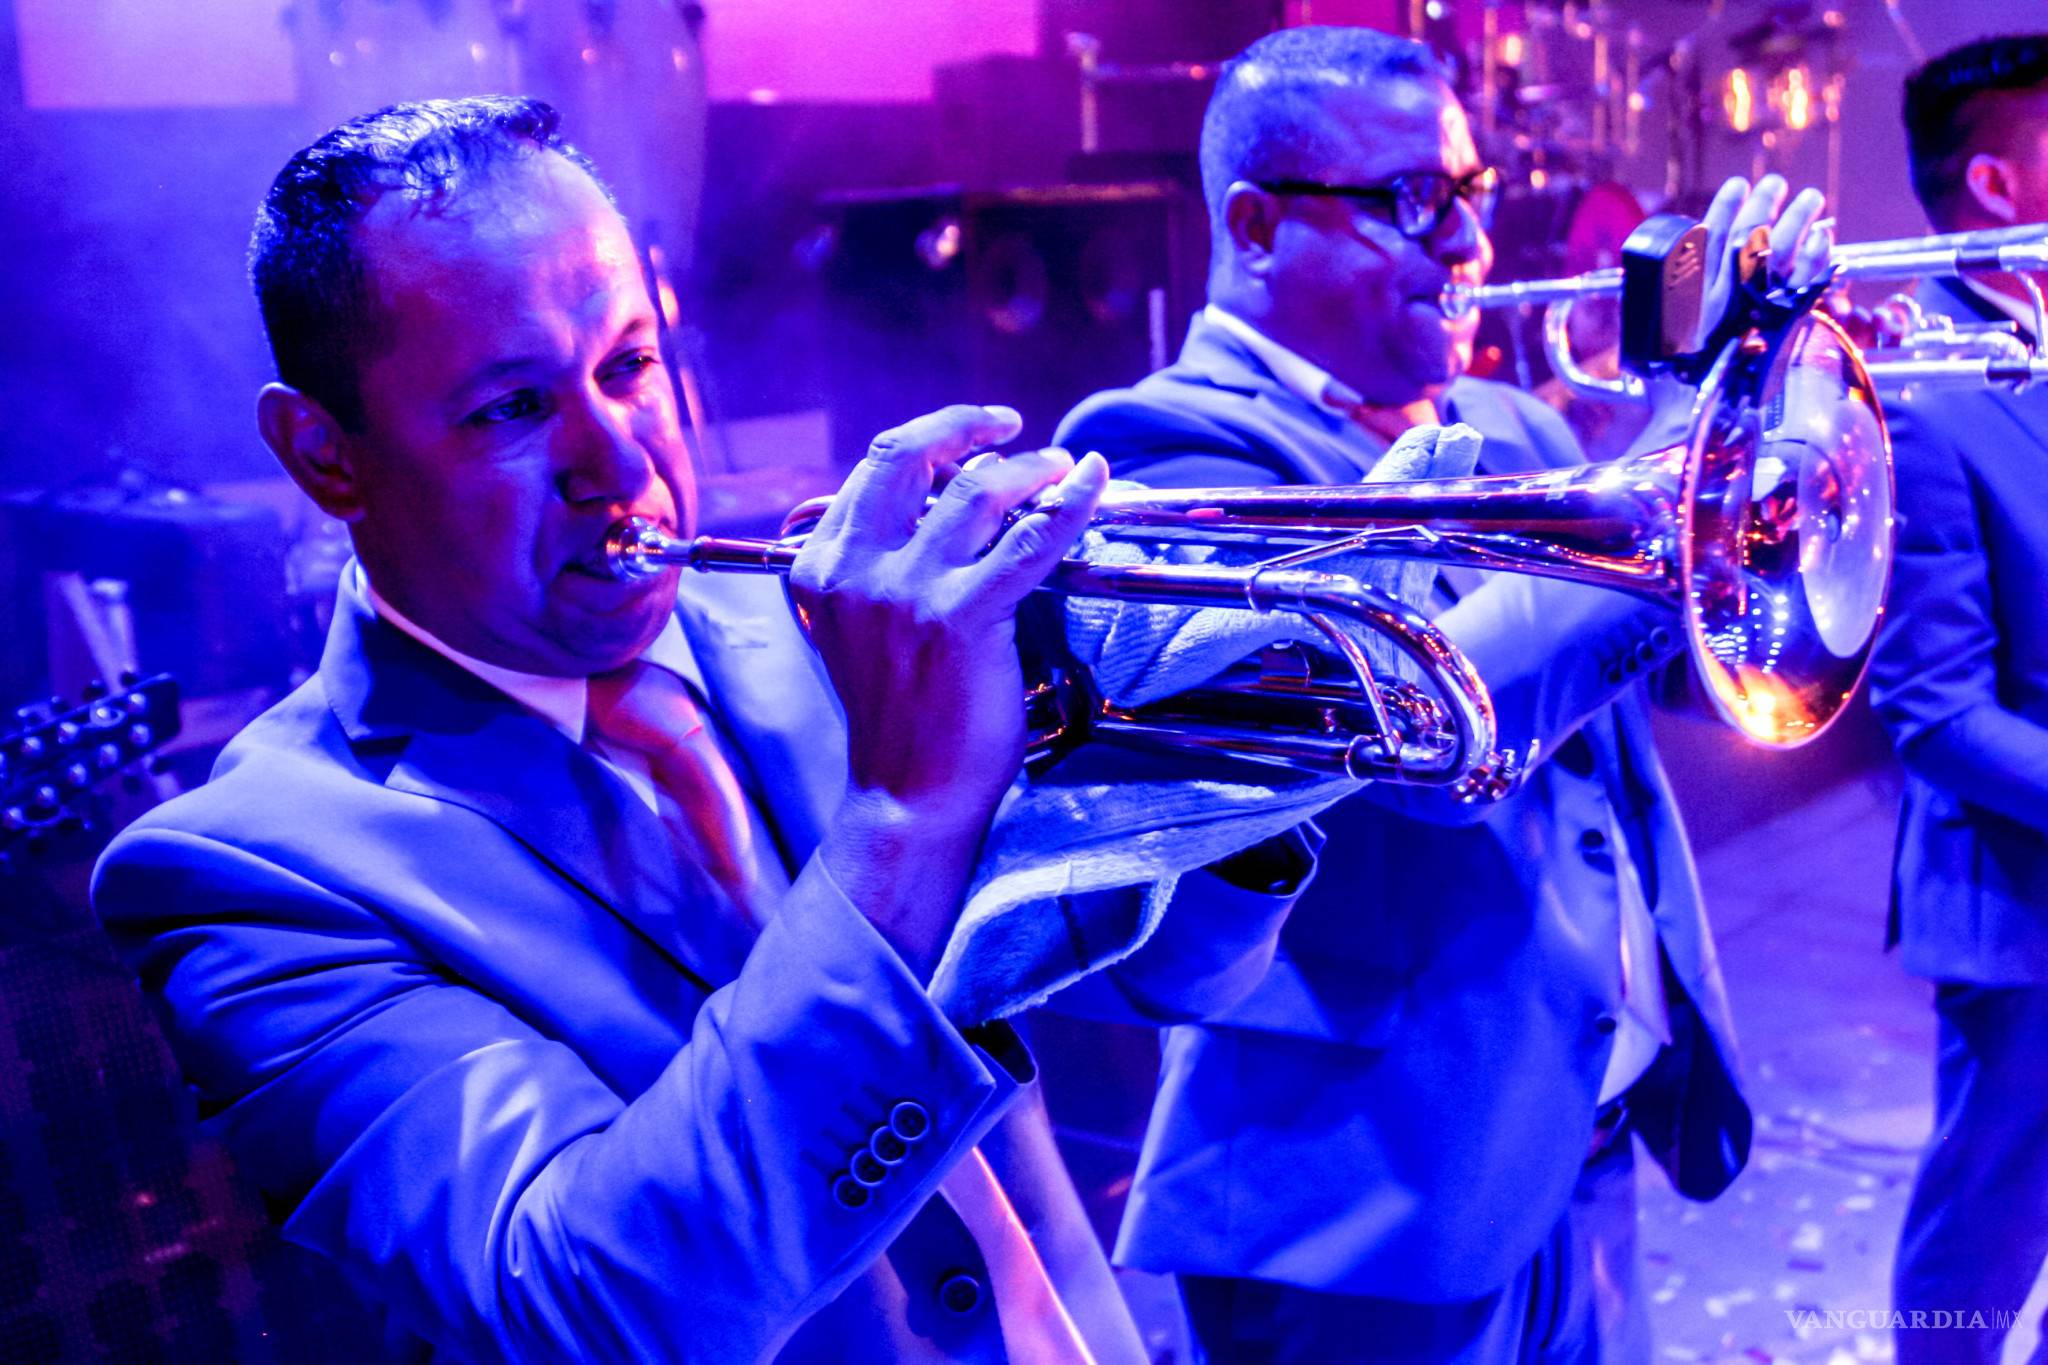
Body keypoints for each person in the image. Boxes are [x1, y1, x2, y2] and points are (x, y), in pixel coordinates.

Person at [89, 97, 1318, 1363]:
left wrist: (1207, 738)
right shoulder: (247, 875)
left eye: (627, 367)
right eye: (512, 408)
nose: (619, 466)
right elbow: (581, 1310)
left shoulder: (816, 626)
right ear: (323, 456)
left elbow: (1169, 978)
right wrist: (900, 821)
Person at [1056, 26, 1827, 1363]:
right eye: (1415, 201)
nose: (1469, 245)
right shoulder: (1160, 448)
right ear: (1255, 227)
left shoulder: (1511, 423)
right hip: (1366, 1199)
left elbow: (1686, 681)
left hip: (1577, 1145)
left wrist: (1759, 422)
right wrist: (1681, 459)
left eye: (1472, 194)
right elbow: (1427, 737)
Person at [1871, 34, 2048, 1365]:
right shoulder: (1919, 395)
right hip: (2021, 899)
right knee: (1981, 1240)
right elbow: (1931, 712)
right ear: (1996, 184)